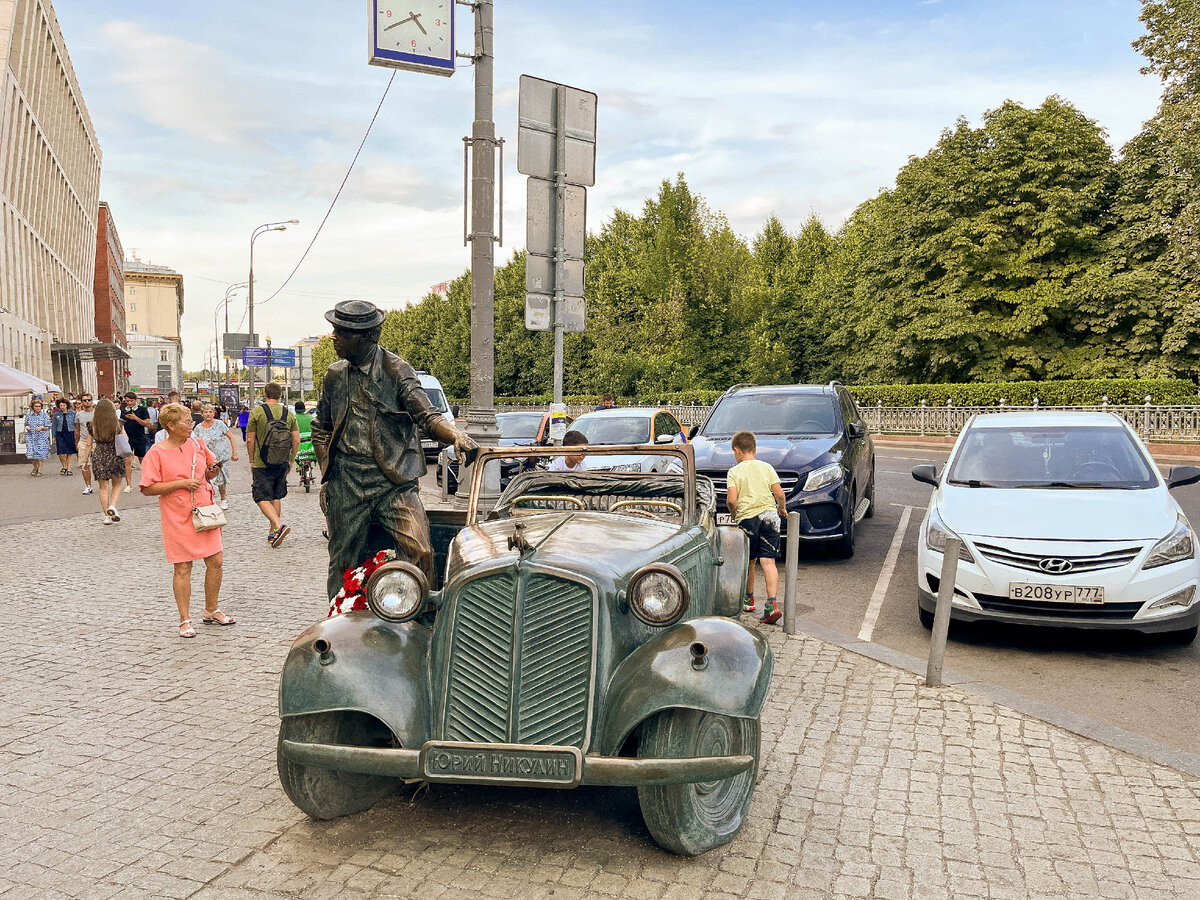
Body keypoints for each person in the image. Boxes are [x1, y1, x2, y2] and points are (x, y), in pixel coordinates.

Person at [312, 299, 477, 601]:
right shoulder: (334, 375)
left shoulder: (398, 371)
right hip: (347, 481)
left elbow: (427, 416)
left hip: (392, 483)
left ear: (367, 337)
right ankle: (338, 624)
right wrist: (328, 473)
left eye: (341, 332)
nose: (333, 337)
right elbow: (320, 427)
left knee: (421, 549)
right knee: (342, 560)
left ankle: (418, 617)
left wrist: (455, 435)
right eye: (334, 329)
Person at [140, 403, 233, 638]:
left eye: (192, 421)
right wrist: (180, 484)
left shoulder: (197, 444)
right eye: (187, 422)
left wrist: (212, 471)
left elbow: (207, 473)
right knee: (183, 566)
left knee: (216, 561)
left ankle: (211, 609)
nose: (191, 426)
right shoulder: (156, 452)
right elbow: (148, 488)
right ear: (170, 426)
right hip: (176, 514)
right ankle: (184, 619)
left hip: (204, 509)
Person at [726, 430, 787, 625]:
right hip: (770, 516)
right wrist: (782, 509)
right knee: (768, 561)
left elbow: (732, 500)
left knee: (750, 561)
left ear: (737, 450)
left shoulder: (734, 471)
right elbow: (779, 493)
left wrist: (734, 514)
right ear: (754, 449)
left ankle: (749, 599)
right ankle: (772, 605)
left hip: (748, 520)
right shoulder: (766, 467)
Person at [246, 381, 299, 546]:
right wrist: (291, 460)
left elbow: (250, 439)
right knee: (276, 495)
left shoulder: (256, 412)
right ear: (281, 395)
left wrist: (252, 460)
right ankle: (273, 532)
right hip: (282, 460)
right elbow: (296, 439)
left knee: (260, 495)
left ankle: (278, 525)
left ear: (265, 394)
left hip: (262, 462)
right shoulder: (288, 413)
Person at [88, 398, 126, 523]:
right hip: (115, 454)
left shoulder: (91, 425)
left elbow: (89, 444)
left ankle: (106, 516)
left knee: (103, 487)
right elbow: (126, 438)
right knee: (117, 484)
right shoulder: (118, 423)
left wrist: (84, 461)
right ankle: (113, 506)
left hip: (99, 455)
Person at [193, 402, 237, 510]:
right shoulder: (198, 428)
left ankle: (223, 499)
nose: (208, 414)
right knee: (208, 480)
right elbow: (194, 443)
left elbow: (231, 437)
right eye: (206, 412)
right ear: (202, 414)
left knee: (221, 481)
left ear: (214, 413)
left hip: (221, 458)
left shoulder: (220, 424)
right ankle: (210, 500)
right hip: (206, 459)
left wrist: (234, 452)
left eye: (210, 412)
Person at [120, 392, 151, 492]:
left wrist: (136, 418)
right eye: (127, 401)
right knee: (127, 460)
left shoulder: (142, 410)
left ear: (135, 400)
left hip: (140, 437)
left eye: (131, 401)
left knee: (143, 460)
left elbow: (147, 424)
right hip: (127, 438)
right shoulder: (123, 410)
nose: (129, 403)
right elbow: (121, 423)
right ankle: (129, 484)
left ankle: (147, 481)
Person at [23, 398, 51, 476]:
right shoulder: (28, 415)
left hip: (41, 437)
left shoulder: (44, 415)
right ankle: (35, 467)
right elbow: (26, 424)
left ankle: (39, 470)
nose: (38, 408)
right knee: (31, 453)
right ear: (32, 407)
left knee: (40, 454)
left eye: (39, 406)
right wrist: (27, 427)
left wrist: (42, 427)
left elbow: (48, 427)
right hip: (30, 436)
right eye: (36, 406)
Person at [76, 392, 96, 494]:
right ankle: (88, 486)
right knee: (85, 464)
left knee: (100, 464)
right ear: (82, 402)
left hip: (97, 442)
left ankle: (103, 483)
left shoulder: (97, 413)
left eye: (89, 400)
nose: (87, 402)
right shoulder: (79, 414)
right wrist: (77, 442)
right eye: (85, 400)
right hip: (83, 441)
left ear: (92, 401)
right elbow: (77, 430)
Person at [51, 397, 77, 475]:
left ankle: (68, 468)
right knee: (61, 452)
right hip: (60, 434)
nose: (62, 407)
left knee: (70, 452)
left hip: (70, 433)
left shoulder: (72, 413)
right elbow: (54, 426)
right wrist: (53, 436)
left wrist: (76, 435)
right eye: (61, 405)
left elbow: (76, 424)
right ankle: (64, 466)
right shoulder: (56, 414)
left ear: (67, 405)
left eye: (64, 405)